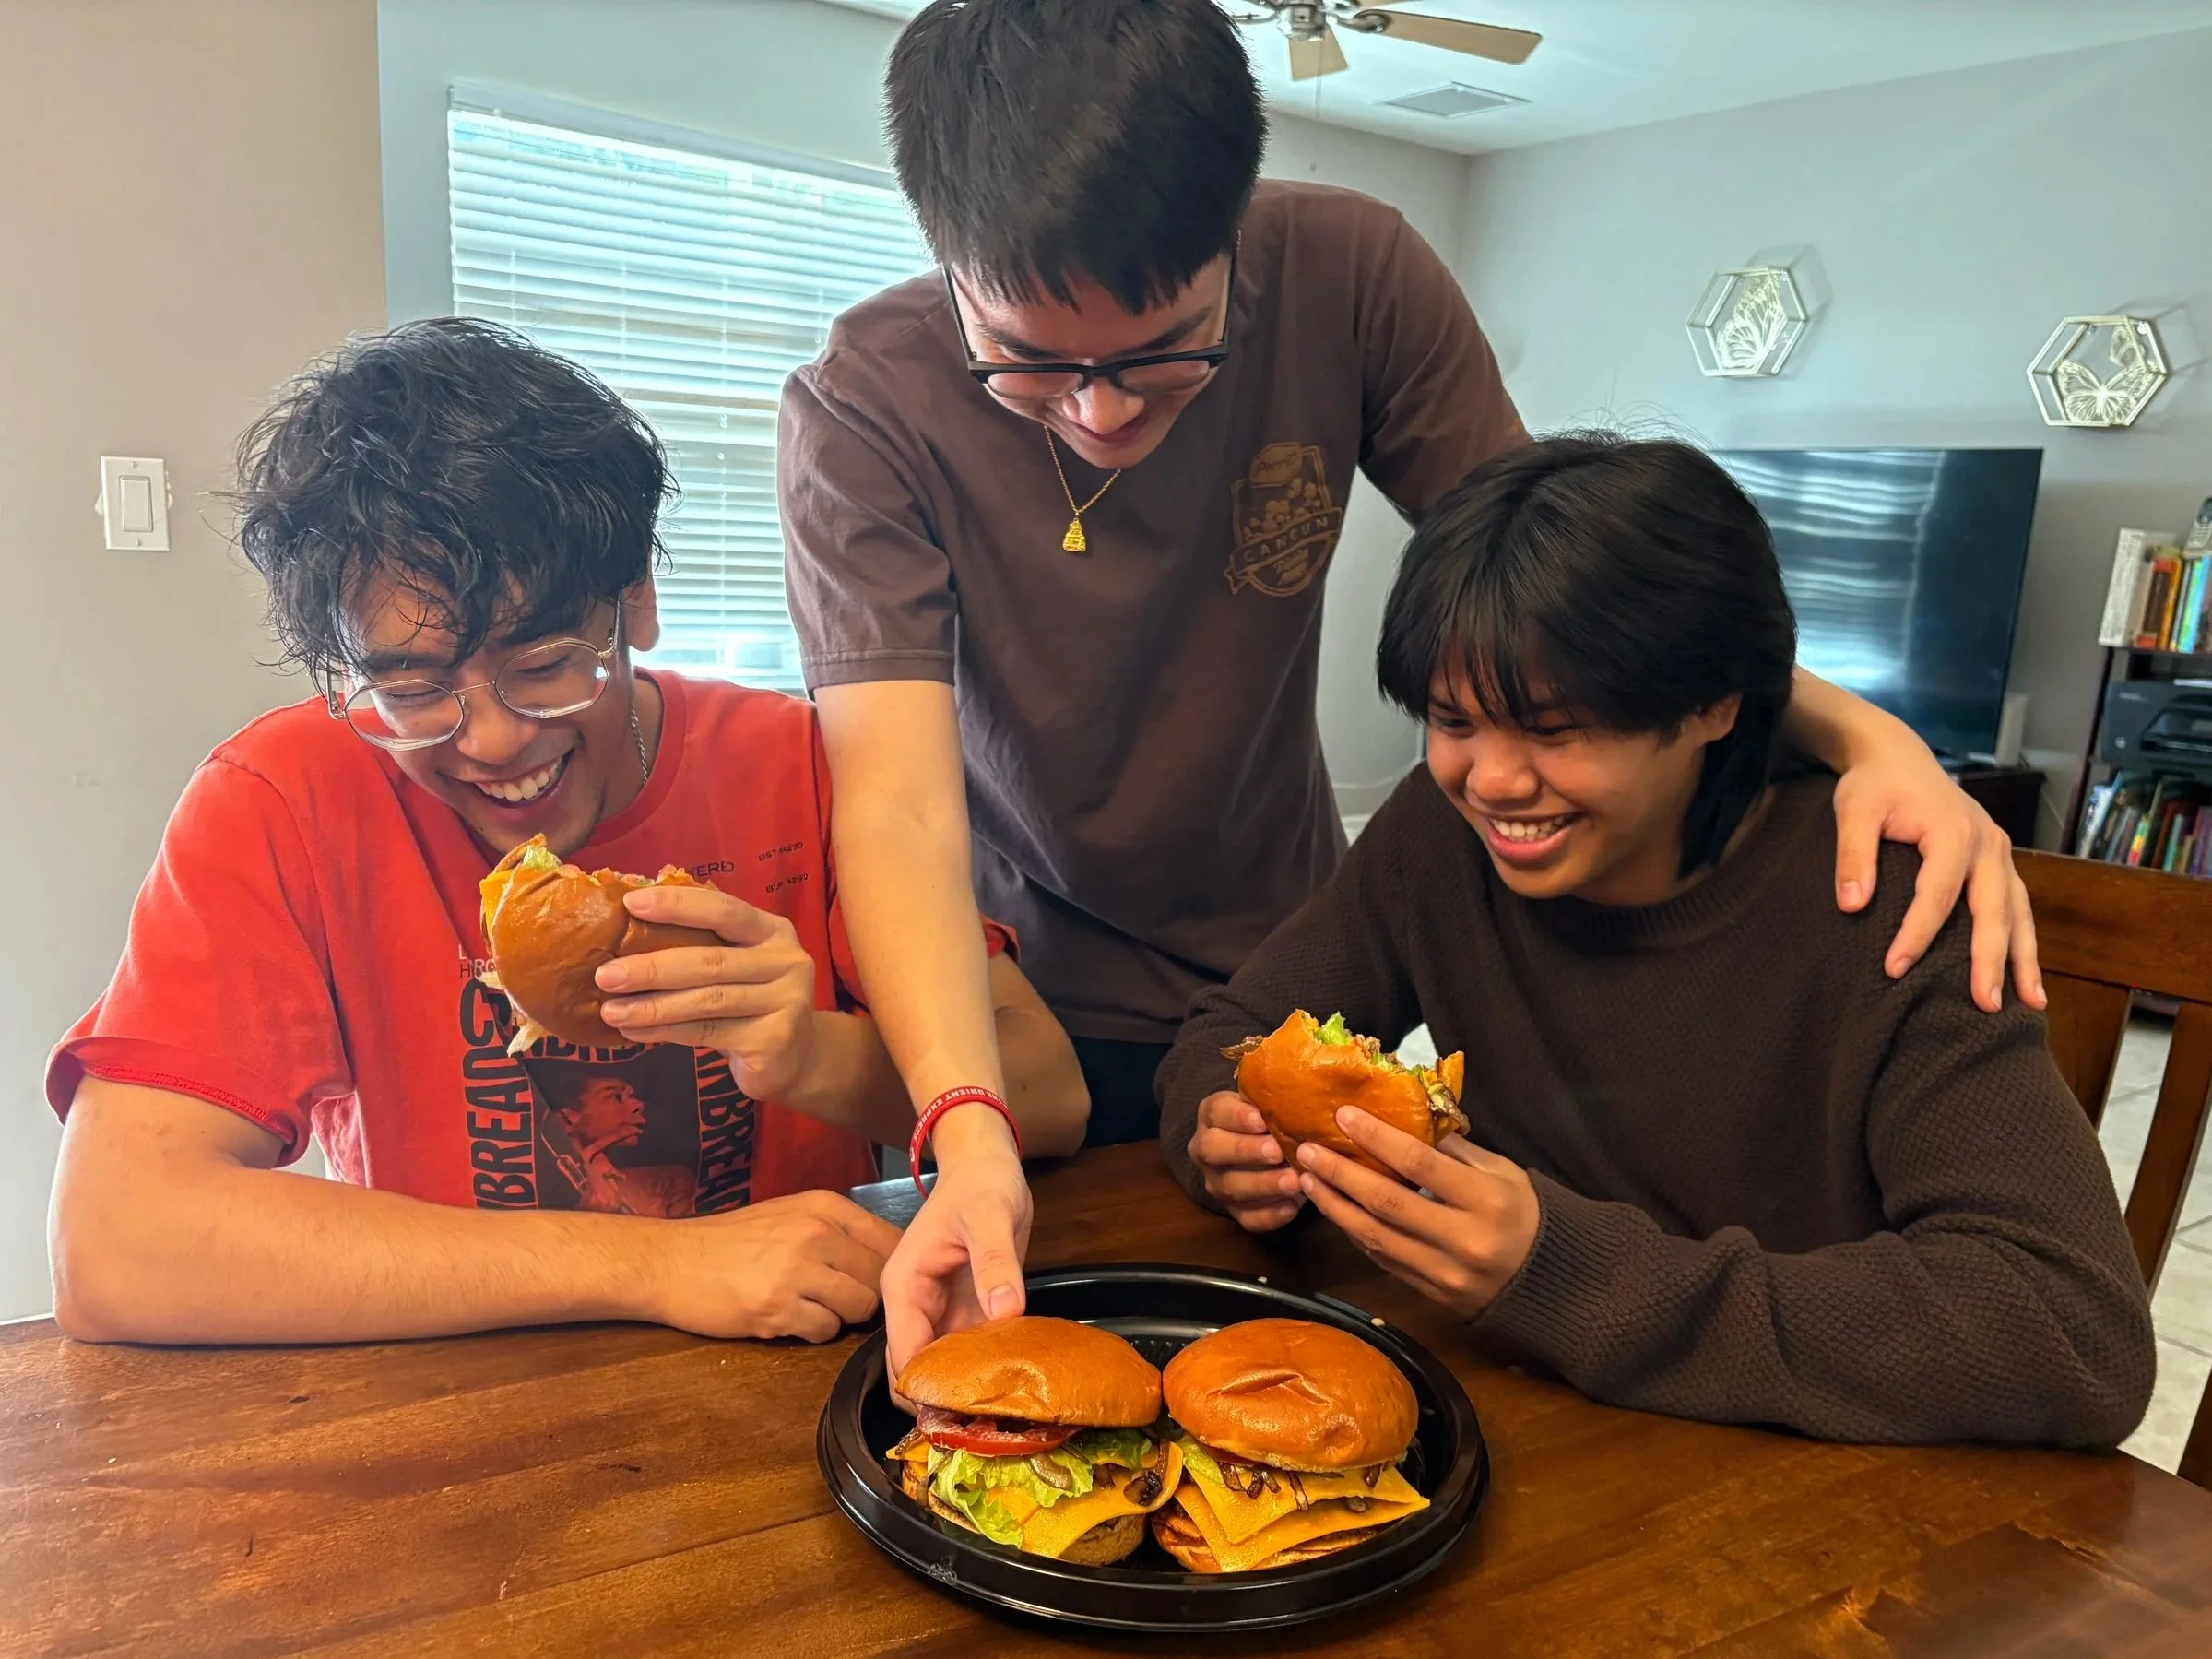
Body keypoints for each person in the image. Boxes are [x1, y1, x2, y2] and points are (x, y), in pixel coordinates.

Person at [780, 0, 2040, 1371]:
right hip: (1013, 1012)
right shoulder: (863, 403)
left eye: (1160, 352)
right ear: (945, 264)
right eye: (1032, 362)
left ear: (1237, 231)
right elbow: (897, 804)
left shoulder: (1350, 274)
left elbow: (1575, 602)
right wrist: (965, 1121)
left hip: (1271, 958)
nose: (1100, 411)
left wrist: (1871, 734)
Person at [45, 318, 1087, 1347]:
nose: (491, 740)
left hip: (796, 1371)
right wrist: (663, 1266)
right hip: (448, 1402)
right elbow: (114, 1242)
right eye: (411, 689)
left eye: (543, 664)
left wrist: (815, 1054)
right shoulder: (282, 795)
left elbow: (1050, 1095)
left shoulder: (795, 762)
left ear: (633, 600)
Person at [1164, 434, 2152, 1447]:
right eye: (1451, 719)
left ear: (1712, 701)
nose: (1490, 780)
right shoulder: (1439, 833)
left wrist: (1563, 1270)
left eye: (1552, 729)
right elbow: (1230, 1030)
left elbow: (2067, 1328)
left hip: (1815, 1495)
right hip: (1532, 1433)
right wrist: (1228, 1135)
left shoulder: (1889, 894)